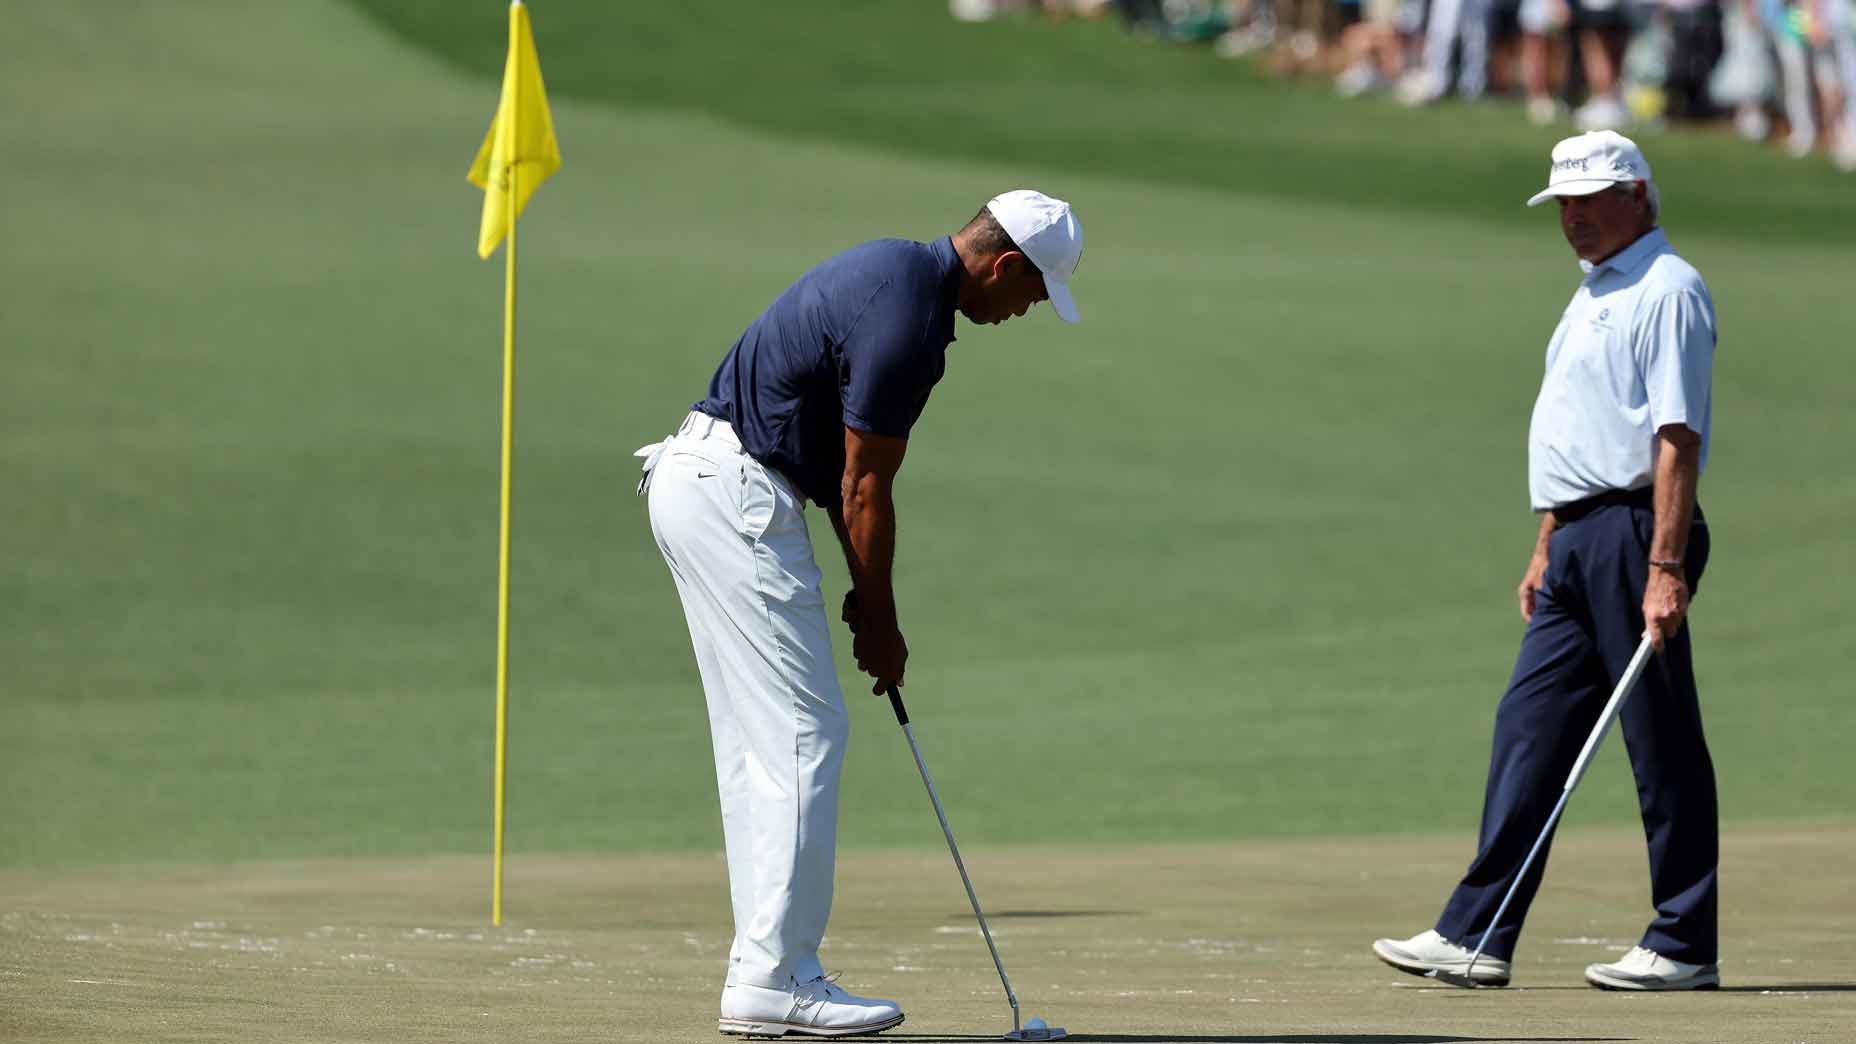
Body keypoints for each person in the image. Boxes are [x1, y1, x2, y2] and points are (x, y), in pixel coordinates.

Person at [635, 191, 1085, 1036]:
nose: (1025, 310)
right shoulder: (912, 318)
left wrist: (871, 606)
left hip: (694, 480)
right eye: (1032, 293)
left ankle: (761, 969)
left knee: (763, 744)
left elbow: (850, 484)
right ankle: (777, 978)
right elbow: (863, 485)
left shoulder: (896, 271)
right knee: (806, 736)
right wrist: (879, 621)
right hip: (734, 493)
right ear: (1007, 265)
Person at [1372, 131, 1721, 991]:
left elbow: (1676, 436)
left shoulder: (1667, 289)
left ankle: (1683, 940)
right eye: (1563, 204)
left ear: (1637, 195)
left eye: (1591, 200)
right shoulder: (1594, 292)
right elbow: (1576, 430)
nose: (1573, 219)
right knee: (1527, 733)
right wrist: (1545, 544)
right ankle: (1479, 930)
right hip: (1574, 541)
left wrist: (1666, 565)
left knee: (1658, 739)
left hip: (1639, 533)